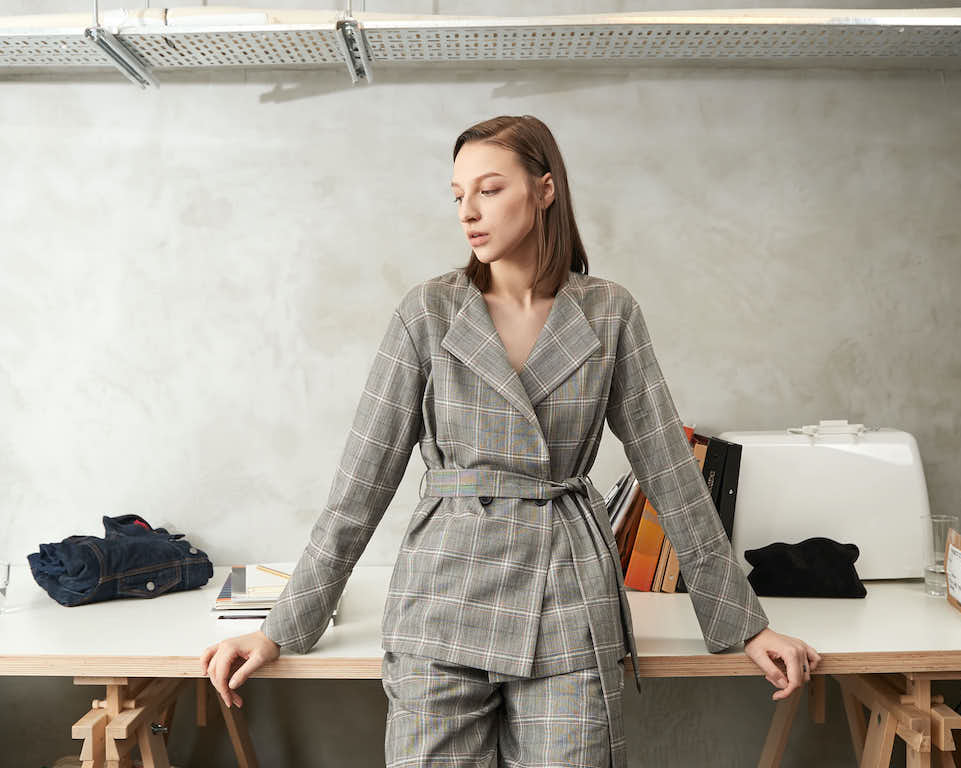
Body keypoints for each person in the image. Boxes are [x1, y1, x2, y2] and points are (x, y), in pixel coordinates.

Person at [201, 114, 821, 766]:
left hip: (566, 605)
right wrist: (279, 630)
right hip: (442, 601)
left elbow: (669, 471)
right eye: (458, 195)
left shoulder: (608, 312)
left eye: (490, 189)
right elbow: (359, 487)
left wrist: (744, 625)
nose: (468, 211)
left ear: (545, 189)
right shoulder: (427, 312)